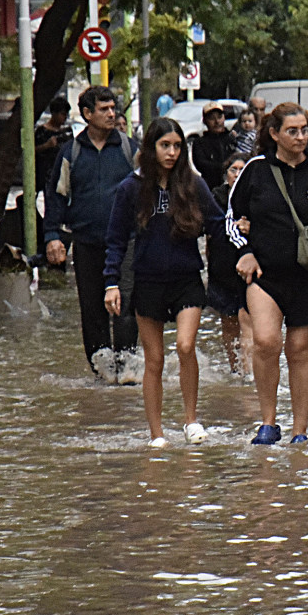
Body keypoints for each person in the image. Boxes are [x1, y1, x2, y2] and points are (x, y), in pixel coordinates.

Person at [228, 103, 308, 445]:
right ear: (274, 134)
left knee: (300, 349)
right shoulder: (255, 170)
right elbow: (230, 217)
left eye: (305, 130)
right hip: (266, 273)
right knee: (266, 341)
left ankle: (300, 430)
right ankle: (268, 422)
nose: (301, 137)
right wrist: (244, 251)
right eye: (292, 131)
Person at [104, 117, 224, 448]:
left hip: (186, 279)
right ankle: (156, 434)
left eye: (177, 146)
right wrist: (111, 283)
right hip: (148, 281)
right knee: (154, 359)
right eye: (164, 146)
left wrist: (241, 233)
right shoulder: (131, 187)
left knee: (186, 346)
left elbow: (217, 223)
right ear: (151, 148)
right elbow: (115, 240)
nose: (171, 153)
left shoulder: (192, 184)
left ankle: (190, 420)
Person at [44, 86, 142, 381]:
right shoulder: (71, 153)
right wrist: (52, 235)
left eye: (113, 108)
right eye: (104, 109)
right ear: (87, 114)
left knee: (125, 306)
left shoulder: (130, 149)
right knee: (92, 310)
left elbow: (151, 189)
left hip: (127, 243)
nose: (112, 114)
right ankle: (102, 374)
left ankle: (126, 373)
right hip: (86, 243)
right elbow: (56, 196)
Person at [207, 152, 254, 377]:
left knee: (247, 318)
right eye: (233, 169)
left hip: (250, 268)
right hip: (222, 268)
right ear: (226, 174)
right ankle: (235, 367)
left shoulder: (257, 196)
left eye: (242, 169)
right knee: (228, 321)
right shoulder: (215, 196)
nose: (237, 174)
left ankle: (248, 371)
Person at [191, 101, 238, 191]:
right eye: (212, 118)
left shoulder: (233, 139)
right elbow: (202, 165)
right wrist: (224, 167)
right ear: (205, 121)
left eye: (219, 117)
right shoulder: (199, 143)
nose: (217, 122)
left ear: (224, 118)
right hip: (211, 188)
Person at [34, 97, 74, 191]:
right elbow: (33, 150)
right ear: (54, 113)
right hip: (46, 173)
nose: (65, 117)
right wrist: (47, 145)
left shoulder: (66, 131)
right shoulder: (42, 131)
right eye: (62, 114)